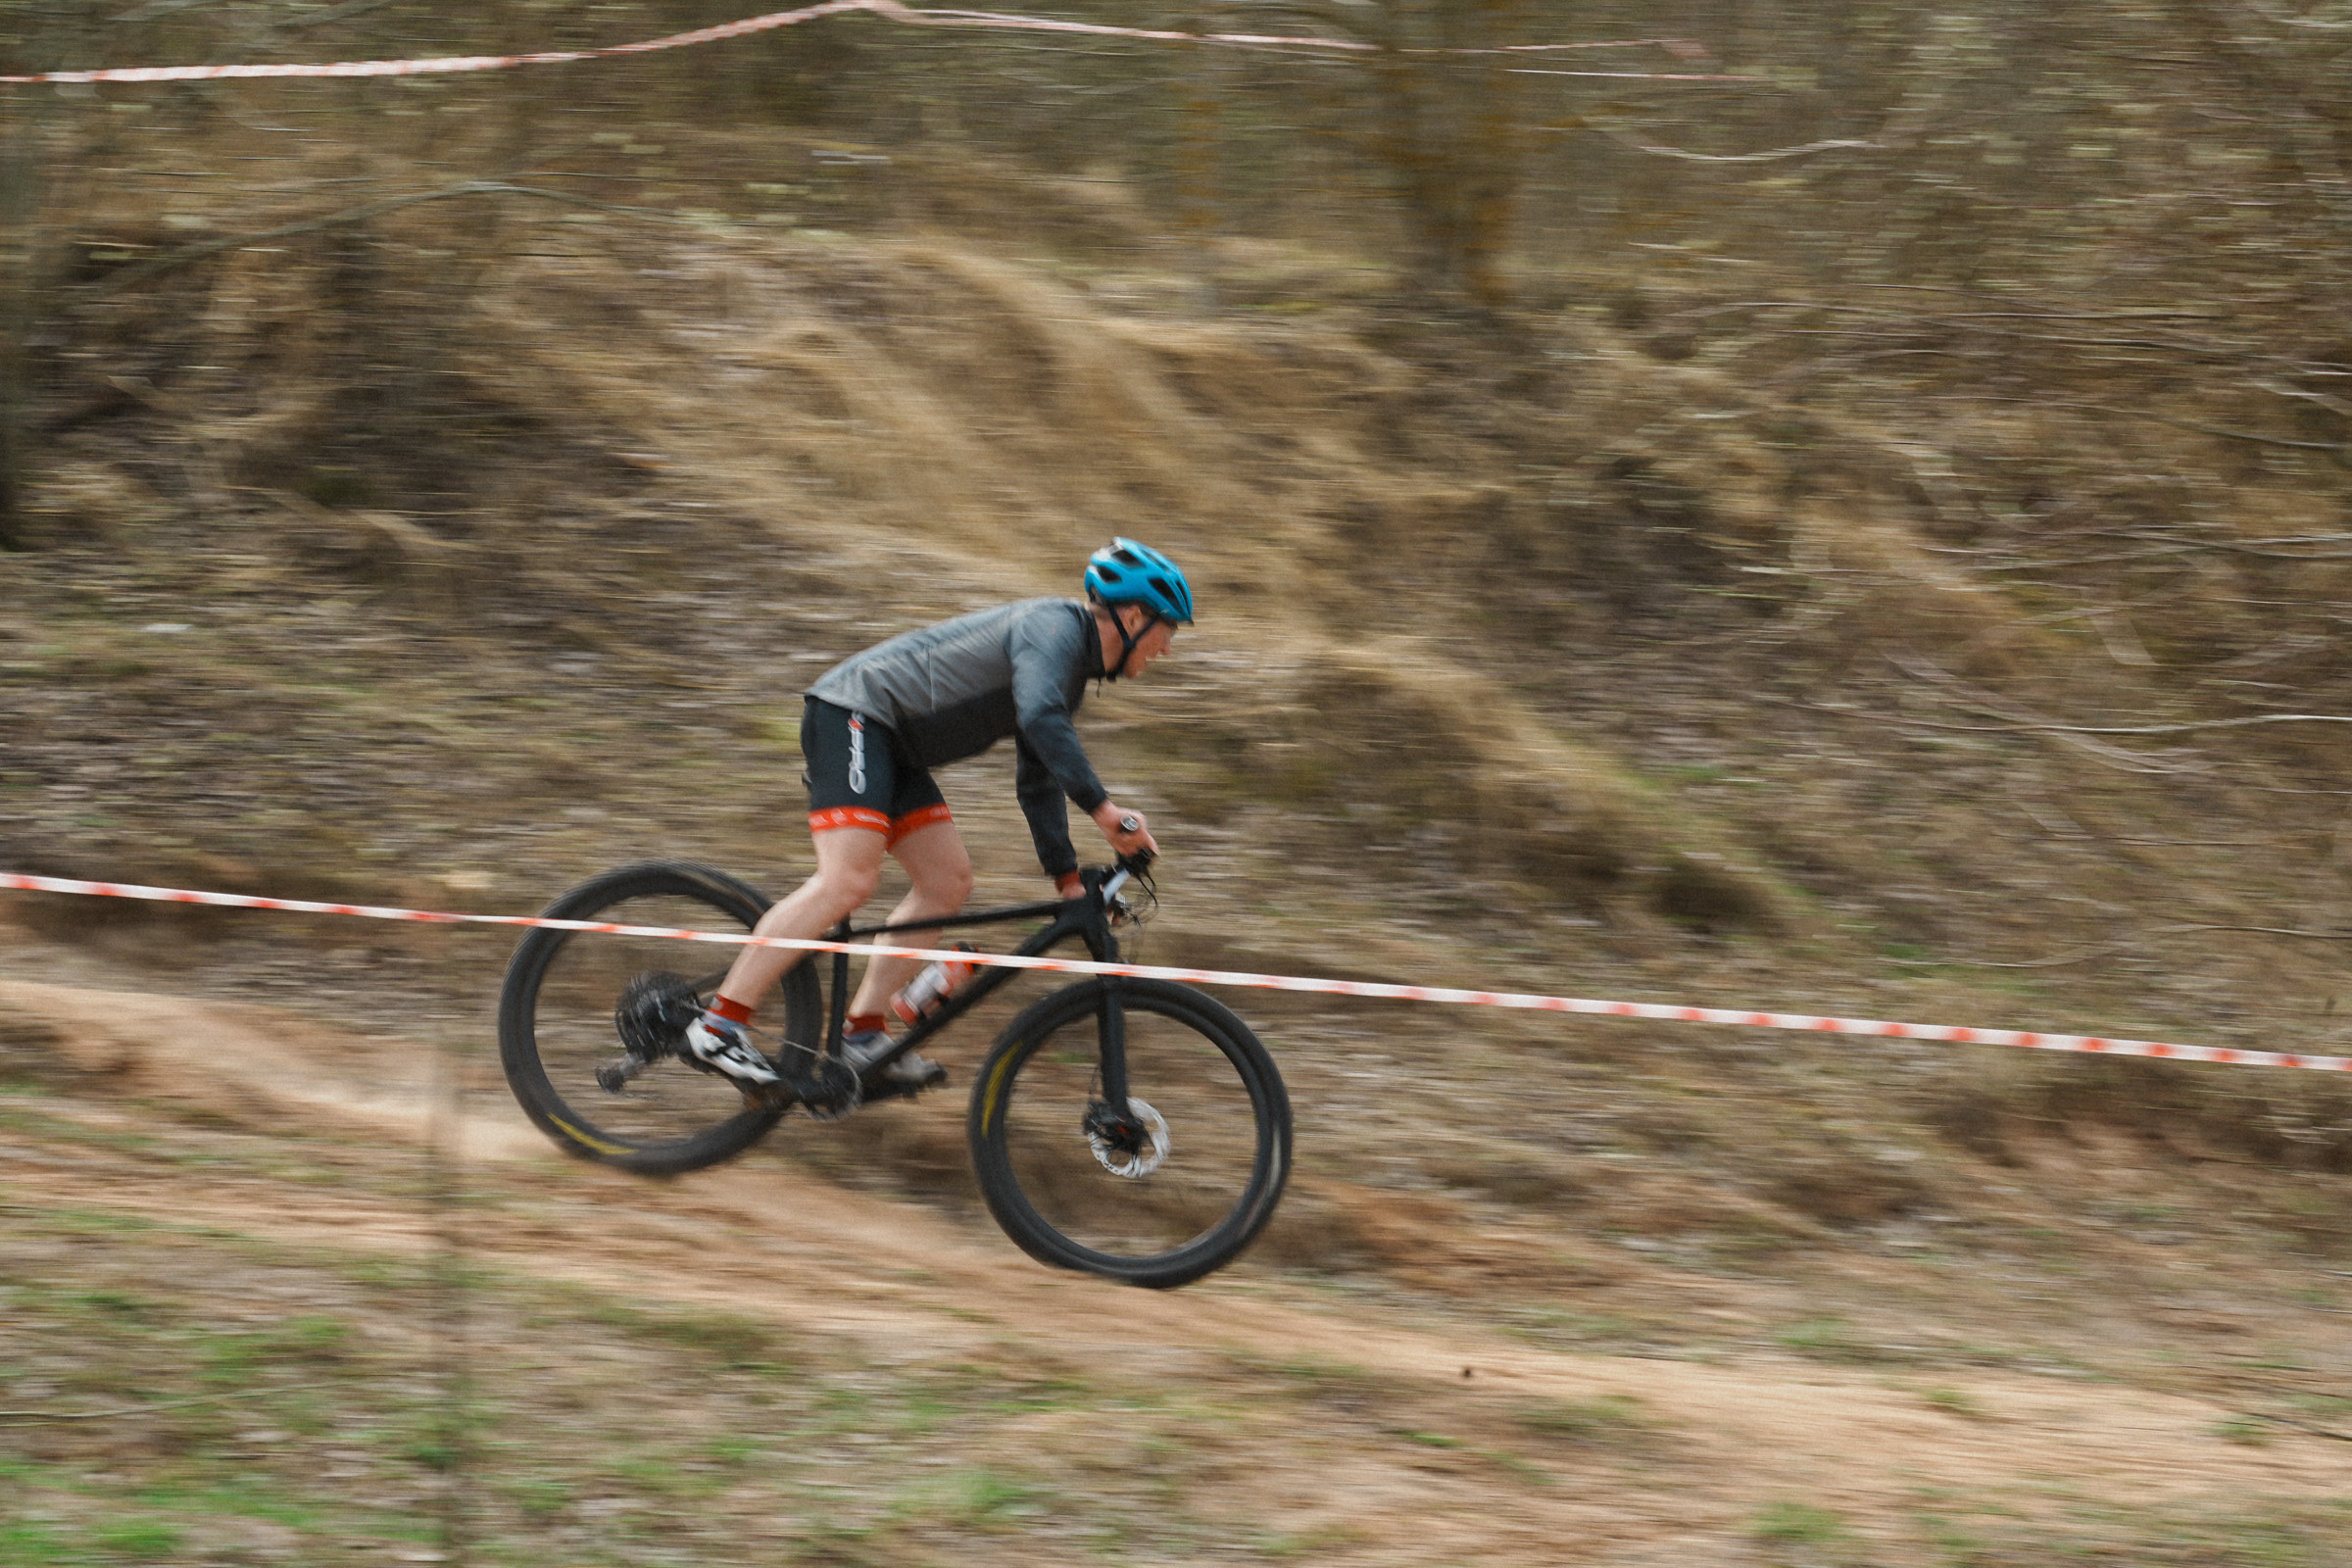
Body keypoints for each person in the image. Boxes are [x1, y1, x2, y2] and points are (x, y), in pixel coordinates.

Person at [680, 538, 1194, 1090]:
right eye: (1169, 631)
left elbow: (1037, 776)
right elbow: (1042, 720)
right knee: (848, 881)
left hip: (895, 750)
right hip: (854, 715)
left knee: (947, 883)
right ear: (1136, 616)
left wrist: (1068, 879)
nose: (1166, 649)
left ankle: (862, 1036)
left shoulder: (1066, 672)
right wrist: (1108, 814)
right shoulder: (1055, 629)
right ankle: (718, 1026)